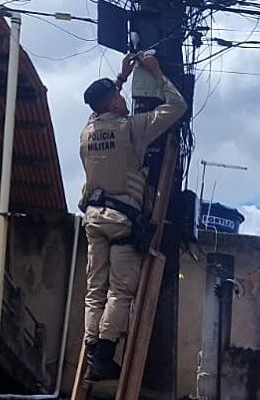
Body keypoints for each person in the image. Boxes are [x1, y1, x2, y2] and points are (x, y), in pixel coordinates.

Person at [78, 51, 187, 382]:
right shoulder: (132, 129)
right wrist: (156, 73)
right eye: (118, 96)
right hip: (122, 220)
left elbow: (101, 101)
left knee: (94, 288)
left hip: (93, 217)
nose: (123, 99)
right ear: (112, 103)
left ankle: (93, 347)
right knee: (120, 290)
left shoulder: (87, 131)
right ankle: (105, 355)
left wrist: (121, 77)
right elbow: (176, 106)